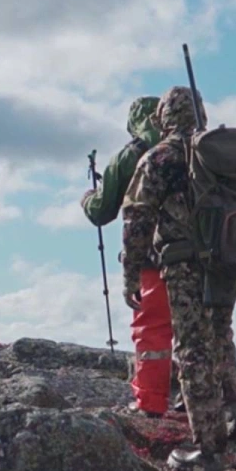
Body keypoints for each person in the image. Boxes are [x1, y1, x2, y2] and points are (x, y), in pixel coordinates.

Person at [119, 87, 236, 471]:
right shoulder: (225, 155)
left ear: (163, 118)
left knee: (192, 349)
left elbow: (138, 218)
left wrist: (130, 272)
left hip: (185, 264)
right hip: (230, 261)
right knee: (220, 334)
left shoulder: (161, 157)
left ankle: (208, 452)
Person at [82, 96, 174, 418]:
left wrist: (87, 199)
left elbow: (101, 211)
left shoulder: (133, 154)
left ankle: (150, 403)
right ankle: (208, 401)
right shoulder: (196, 148)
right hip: (205, 257)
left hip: (155, 256)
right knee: (205, 332)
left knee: (153, 329)